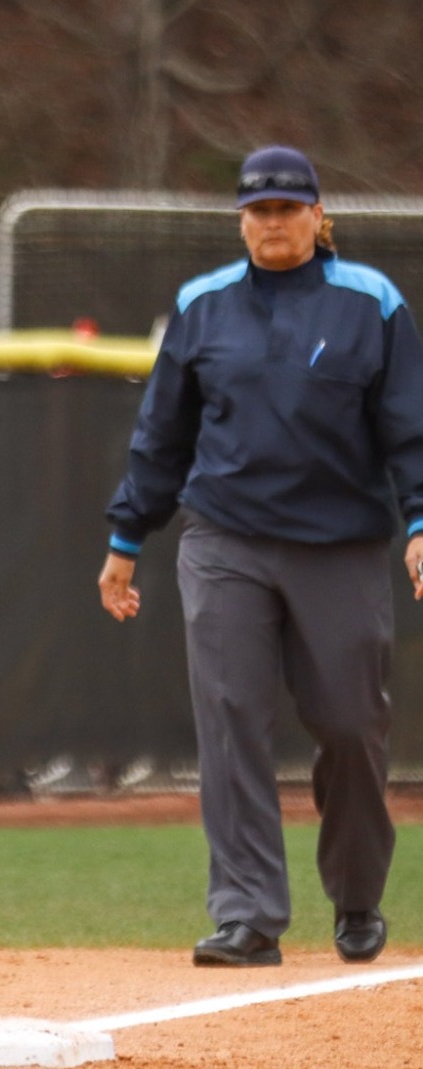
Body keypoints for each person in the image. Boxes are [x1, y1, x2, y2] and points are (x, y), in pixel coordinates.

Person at [99, 144, 422, 968]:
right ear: (241, 221)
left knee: (352, 725)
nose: (273, 223)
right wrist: (126, 538)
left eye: (287, 208)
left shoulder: (372, 303)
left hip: (340, 544)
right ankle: (247, 914)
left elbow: (408, 428)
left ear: (320, 216)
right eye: (258, 210)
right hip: (225, 538)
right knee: (231, 720)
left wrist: (421, 520)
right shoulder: (202, 304)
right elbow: (161, 434)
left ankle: (356, 895)